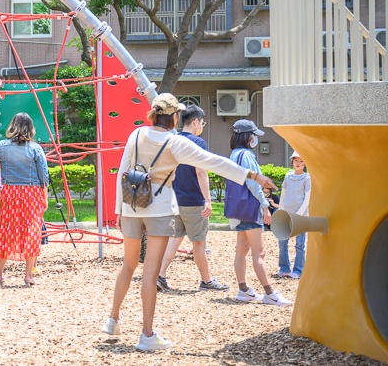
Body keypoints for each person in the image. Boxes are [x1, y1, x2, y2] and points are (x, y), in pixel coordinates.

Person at [102, 94, 278, 352]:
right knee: (150, 274)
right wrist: (252, 175)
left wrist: (119, 209)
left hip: (131, 206)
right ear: (174, 116)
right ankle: (147, 335)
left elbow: (123, 170)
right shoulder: (175, 143)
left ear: (153, 114)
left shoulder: (136, 135)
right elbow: (214, 162)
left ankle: (113, 319)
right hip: (159, 211)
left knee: (128, 265)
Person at [156, 104, 229, 293]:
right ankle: (206, 281)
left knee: (174, 239)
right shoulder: (197, 142)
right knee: (199, 243)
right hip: (193, 202)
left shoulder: (172, 141)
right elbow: (201, 172)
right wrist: (208, 199)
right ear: (195, 122)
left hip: (174, 201)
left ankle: (160, 276)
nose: (201, 126)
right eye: (202, 122)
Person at [0, 113, 50, 287]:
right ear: (30, 128)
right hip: (32, 194)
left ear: (12, 126)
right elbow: (43, 175)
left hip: (11, 194)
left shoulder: (2, 146)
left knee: (6, 231)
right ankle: (28, 275)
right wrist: (45, 198)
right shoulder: (35, 148)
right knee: (32, 231)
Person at [227, 119, 291, 307]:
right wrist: (264, 205)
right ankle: (269, 293)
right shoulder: (246, 155)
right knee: (259, 253)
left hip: (239, 210)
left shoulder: (234, 154)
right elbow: (254, 184)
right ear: (247, 136)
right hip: (250, 209)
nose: (255, 138)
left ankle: (244, 289)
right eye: (253, 135)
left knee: (241, 251)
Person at [276, 151, 311, 279]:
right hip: (286, 215)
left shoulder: (307, 178)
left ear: (305, 163)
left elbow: (307, 199)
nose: (298, 163)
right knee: (282, 242)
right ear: (292, 161)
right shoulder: (288, 176)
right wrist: (281, 211)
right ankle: (284, 268)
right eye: (296, 160)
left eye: (301, 161)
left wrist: (297, 215)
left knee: (300, 244)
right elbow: (283, 195)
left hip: (300, 218)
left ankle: (298, 270)